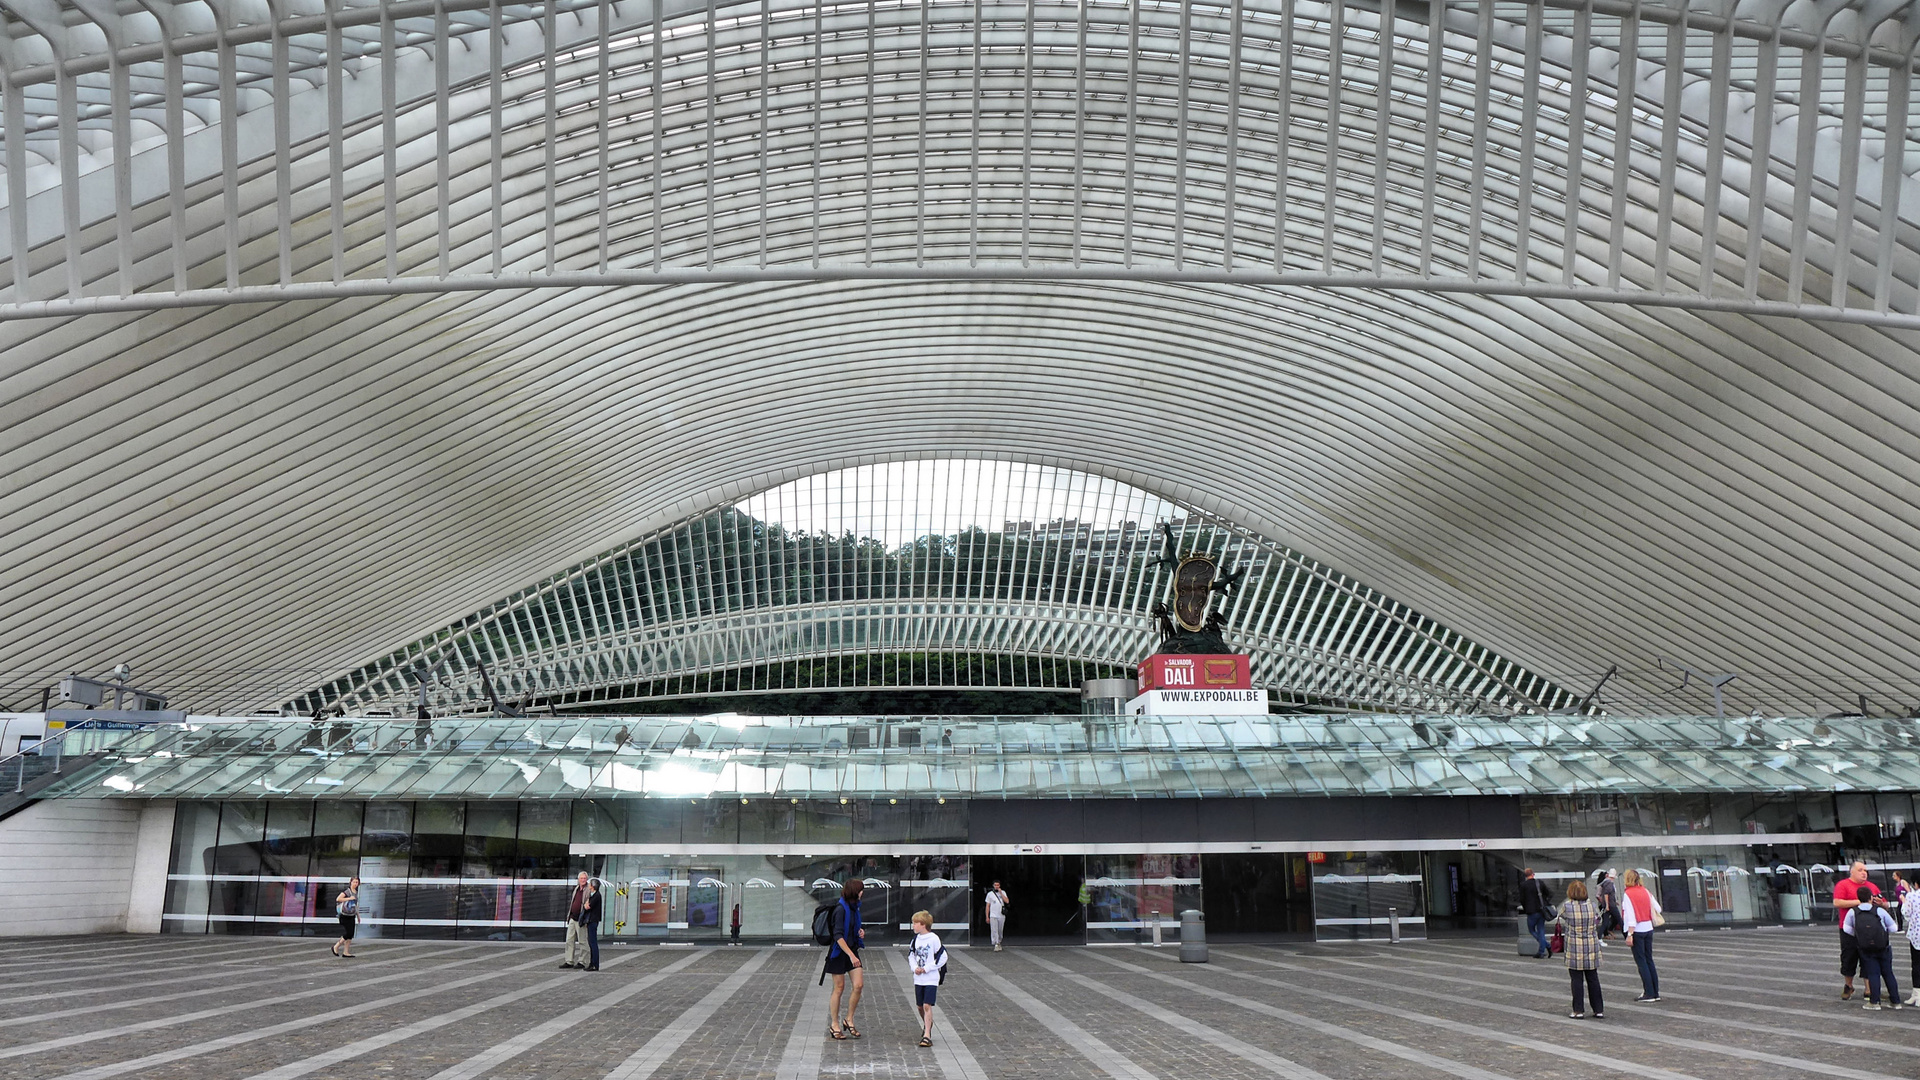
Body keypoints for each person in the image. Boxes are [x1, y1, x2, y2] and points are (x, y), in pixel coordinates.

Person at [1834, 860, 1882, 1001]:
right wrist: (1860, 902)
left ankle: (1868, 989)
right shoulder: (1843, 885)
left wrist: (1881, 903)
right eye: (1860, 870)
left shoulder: (1872, 886)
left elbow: (1884, 903)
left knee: (1868, 958)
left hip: (1869, 930)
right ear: (1852, 871)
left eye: (1865, 871)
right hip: (1849, 929)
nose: (1864, 873)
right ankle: (1848, 985)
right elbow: (1837, 902)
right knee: (1848, 957)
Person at [825, 879, 866, 1040]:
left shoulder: (855, 908)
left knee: (858, 985)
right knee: (839, 988)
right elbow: (838, 936)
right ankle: (834, 1024)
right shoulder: (840, 909)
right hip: (839, 953)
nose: (863, 893)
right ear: (855, 891)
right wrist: (850, 955)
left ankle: (849, 1019)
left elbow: (853, 929)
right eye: (861, 890)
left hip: (852, 950)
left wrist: (860, 932)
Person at [1558, 880, 1603, 1018]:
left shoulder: (1567, 907)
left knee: (1576, 980)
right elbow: (1598, 920)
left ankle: (1578, 1010)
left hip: (1574, 947)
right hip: (1591, 946)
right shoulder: (1592, 906)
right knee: (1593, 978)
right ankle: (1598, 1009)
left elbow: (1561, 916)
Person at [1845, 897, 1901, 1009]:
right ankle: (1895, 1001)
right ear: (1870, 898)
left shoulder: (1853, 911)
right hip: (1883, 946)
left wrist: (1859, 936)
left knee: (1873, 974)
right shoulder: (1879, 910)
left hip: (1865, 947)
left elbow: (1847, 929)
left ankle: (1874, 1002)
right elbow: (1894, 928)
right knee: (1888, 973)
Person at [1620, 868, 1662, 1002]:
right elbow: (1658, 908)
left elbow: (1631, 916)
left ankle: (1648, 993)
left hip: (1637, 930)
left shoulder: (1628, 894)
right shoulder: (1646, 891)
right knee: (1649, 960)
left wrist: (1630, 934)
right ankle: (1655, 992)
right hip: (1648, 928)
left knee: (1641, 961)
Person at [908, 909, 948, 1047]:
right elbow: (911, 956)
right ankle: (928, 1023)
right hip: (918, 978)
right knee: (920, 1006)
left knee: (927, 1004)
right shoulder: (915, 940)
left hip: (931, 978)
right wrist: (915, 968)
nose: (913, 925)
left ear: (923, 924)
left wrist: (927, 968)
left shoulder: (934, 939)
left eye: (915, 923)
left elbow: (942, 956)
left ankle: (927, 1035)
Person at [561, 871, 594, 969]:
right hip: (572, 917)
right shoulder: (576, 888)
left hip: (581, 918)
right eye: (581, 878)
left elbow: (590, 902)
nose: (583, 880)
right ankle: (569, 960)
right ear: (578, 879)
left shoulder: (588, 889)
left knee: (582, 941)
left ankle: (582, 961)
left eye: (584, 878)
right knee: (569, 940)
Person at [1519, 868, 1553, 959]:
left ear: (1526, 876)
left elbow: (1522, 899)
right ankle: (1543, 949)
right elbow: (1550, 893)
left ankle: (1546, 947)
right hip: (1541, 910)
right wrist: (1545, 902)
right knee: (1541, 930)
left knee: (1532, 930)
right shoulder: (1539, 883)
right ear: (1533, 874)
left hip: (1531, 911)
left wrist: (1526, 908)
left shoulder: (1523, 885)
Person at [331, 876, 360, 958]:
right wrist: (349, 898)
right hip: (344, 915)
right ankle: (336, 946)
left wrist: (358, 915)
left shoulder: (356, 892)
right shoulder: (347, 892)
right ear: (350, 882)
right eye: (354, 882)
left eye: (357, 882)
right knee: (348, 933)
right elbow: (338, 899)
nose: (355, 884)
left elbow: (355, 905)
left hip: (352, 915)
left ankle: (346, 952)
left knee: (351, 935)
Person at [1901, 883, 1920, 1006]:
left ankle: (1917, 994)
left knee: (1917, 965)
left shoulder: (1911, 896)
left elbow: (1906, 913)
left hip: (1916, 935)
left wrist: (1903, 900)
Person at [1597, 871, 1621, 941]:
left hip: (1608, 904)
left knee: (1606, 921)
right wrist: (1605, 903)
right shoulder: (1606, 883)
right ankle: (1604, 934)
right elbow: (1604, 895)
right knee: (1617, 919)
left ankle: (1602, 934)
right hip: (1608, 905)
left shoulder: (1605, 883)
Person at [986, 881, 1009, 952]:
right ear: (993, 886)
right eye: (995, 885)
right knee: (994, 930)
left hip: (1001, 915)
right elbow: (988, 906)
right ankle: (996, 943)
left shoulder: (1003, 892)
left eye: (998, 885)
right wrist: (987, 916)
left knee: (1000, 930)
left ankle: (999, 941)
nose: (996, 887)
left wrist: (1001, 893)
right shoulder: (990, 894)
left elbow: (1007, 901)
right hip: (993, 915)